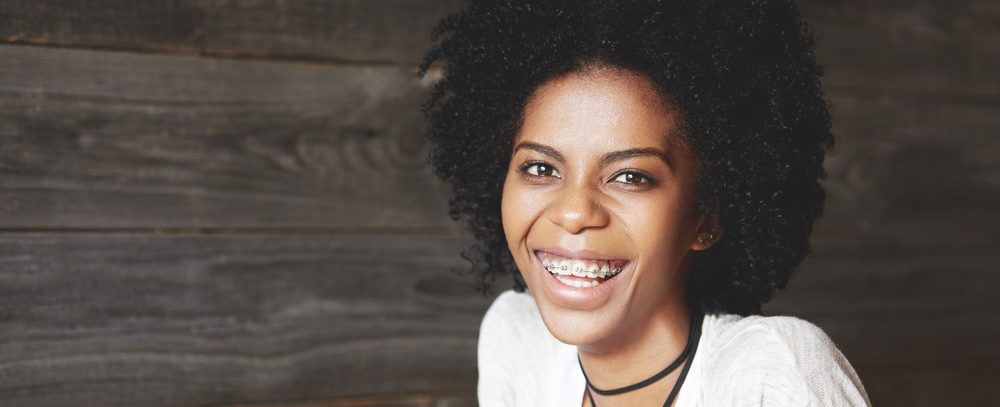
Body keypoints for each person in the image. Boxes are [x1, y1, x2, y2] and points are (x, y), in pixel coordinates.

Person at [420, 0, 871, 405]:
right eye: (541, 168)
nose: (574, 212)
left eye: (630, 176)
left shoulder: (769, 378)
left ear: (706, 216)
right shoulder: (519, 343)